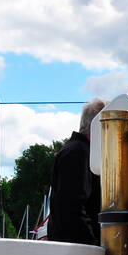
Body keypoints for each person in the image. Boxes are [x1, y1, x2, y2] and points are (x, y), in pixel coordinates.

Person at [47, 98, 106, 245]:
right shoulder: (77, 153)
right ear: (99, 127)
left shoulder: (79, 151)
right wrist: (93, 248)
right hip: (77, 250)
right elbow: (72, 208)